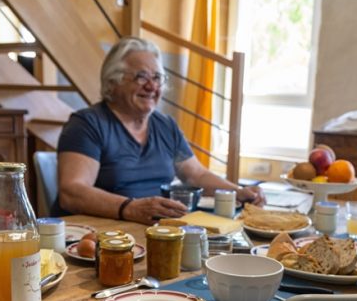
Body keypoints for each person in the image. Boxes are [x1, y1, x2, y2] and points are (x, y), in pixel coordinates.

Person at [52, 36, 264, 224]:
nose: (152, 86)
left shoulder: (166, 126)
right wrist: (131, 208)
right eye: (141, 77)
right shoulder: (86, 124)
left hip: (150, 229)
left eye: (157, 78)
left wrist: (237, 191)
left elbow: (196, 175)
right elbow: (72, 192)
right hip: (98, 234)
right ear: (113, 81)